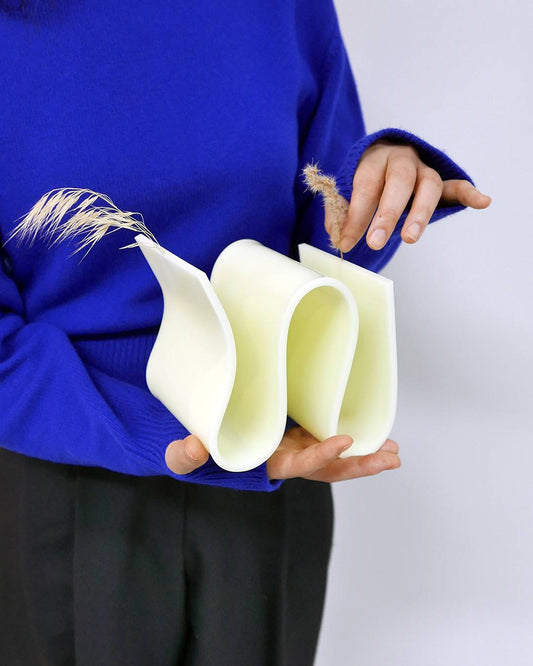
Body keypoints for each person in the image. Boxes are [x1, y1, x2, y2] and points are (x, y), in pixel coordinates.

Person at [0, 0, 490, 664]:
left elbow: (322, 229)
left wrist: (380, 186)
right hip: (66, 475)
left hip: (270, 465)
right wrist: (168, 427)